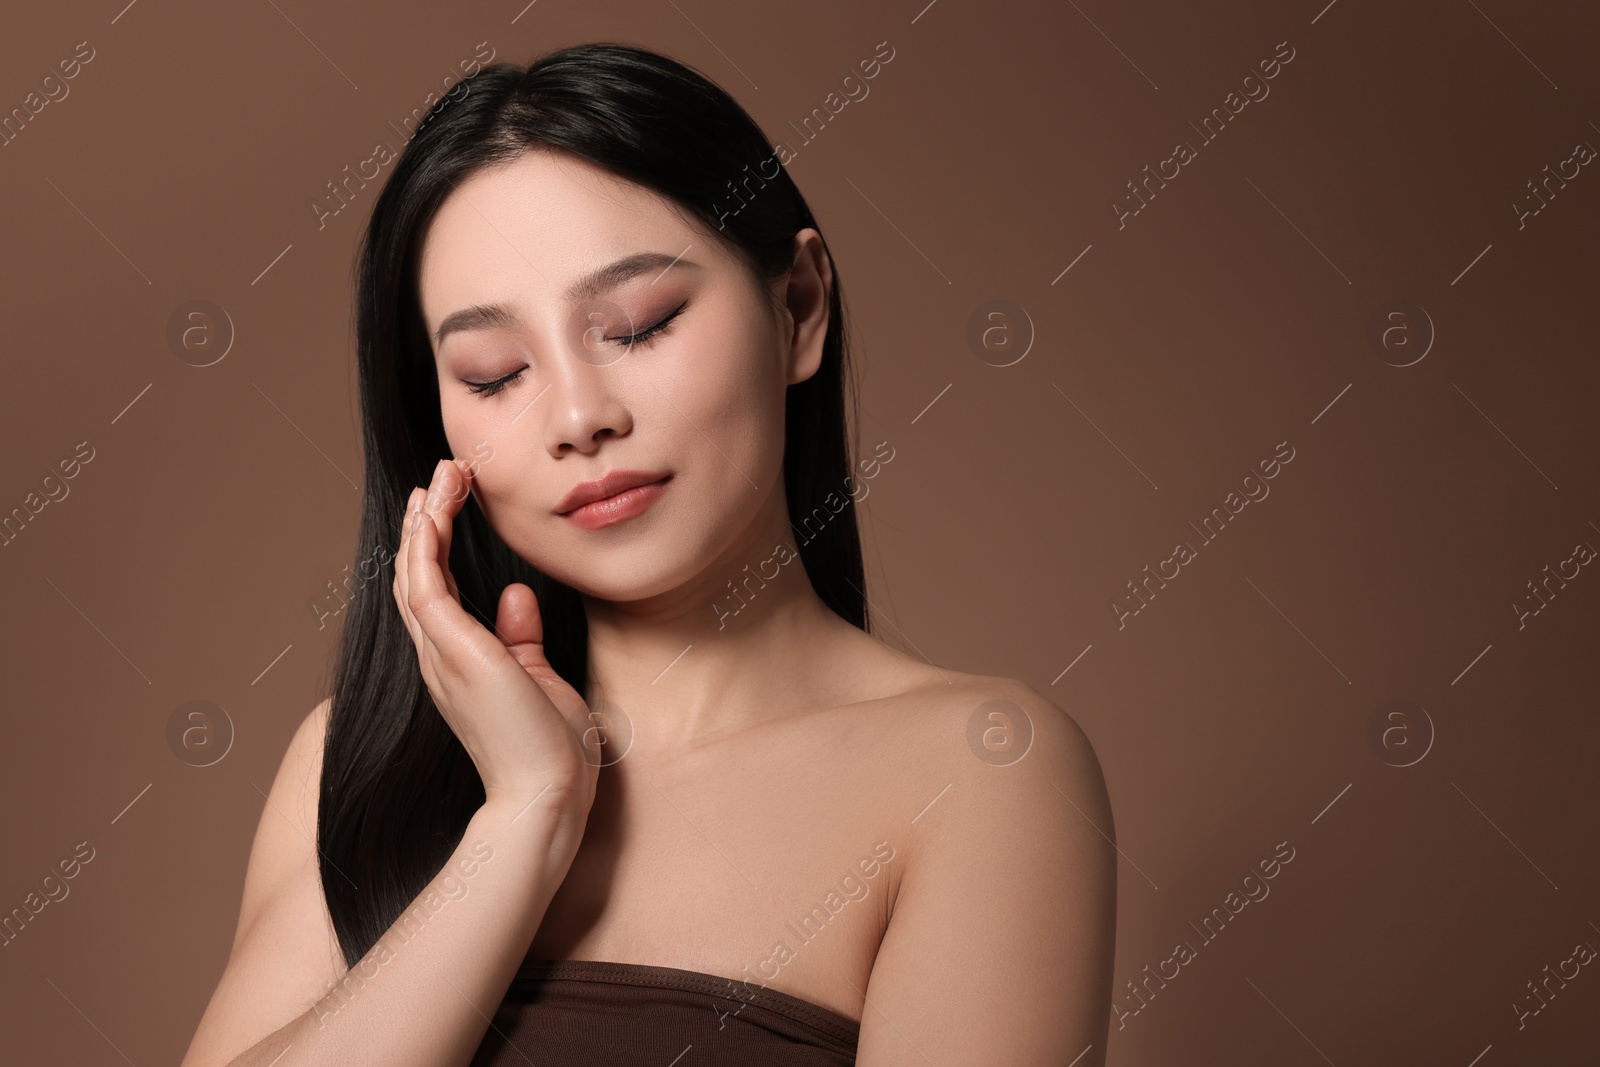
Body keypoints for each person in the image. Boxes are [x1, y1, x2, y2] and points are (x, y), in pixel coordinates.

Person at [179, 41, 1116, 1067]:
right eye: (494, 374)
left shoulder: (976, 766)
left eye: (638, 323)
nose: (579, 417)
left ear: (797, 305)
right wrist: (525, 818)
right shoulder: (358, 757)